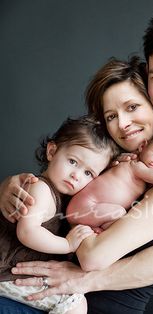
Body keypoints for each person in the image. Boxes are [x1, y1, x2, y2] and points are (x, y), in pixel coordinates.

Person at [0, 54, 153, 314]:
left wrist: (75, 258)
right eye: (111, 116)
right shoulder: (107, 161)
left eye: (132, 107)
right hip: (38, 295)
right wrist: (12, 188)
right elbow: (52, 192)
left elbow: (91, 254)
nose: (123, 123)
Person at [0, 115, 119, 314]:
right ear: (52, 151)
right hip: (5, 275)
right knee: (75, 303)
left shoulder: (64, 199)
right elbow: (27, 232)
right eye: (73, 161)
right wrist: (68, 244)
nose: (76, 175)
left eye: (88, 173)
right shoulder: (41, 190)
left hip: (11, 275)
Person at [66, 129, 153, 239]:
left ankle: (93, 229)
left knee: (119, 219)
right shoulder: (137, 166)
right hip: (85, 206)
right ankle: (95, 230)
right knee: (120, 214)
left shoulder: (139, 171)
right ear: (143, 146)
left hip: (87, 208)